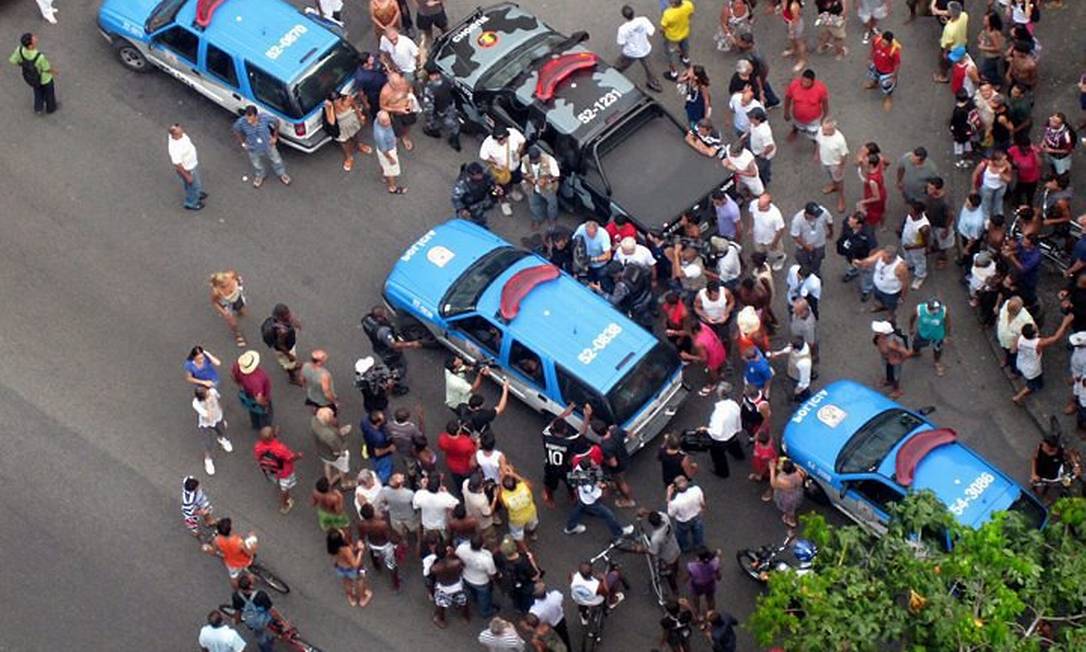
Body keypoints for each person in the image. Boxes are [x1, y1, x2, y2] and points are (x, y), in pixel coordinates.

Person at [563, 458, 632, 540]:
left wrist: (598, 476)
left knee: (578, 509)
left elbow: (576, 478)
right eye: (592, 463)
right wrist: (605, 486)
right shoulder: (589, 485)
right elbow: (600, 495)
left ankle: (570, 527)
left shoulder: (578, 471)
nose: (594, 463)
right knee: (609, 515)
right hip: (590, 502)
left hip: (582, 496)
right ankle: (618, 533)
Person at [1012, 321, 1070, 405]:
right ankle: (1018, 397)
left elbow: (1014, 350)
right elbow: (1055, 338)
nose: (1036, 326)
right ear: (1035, 335)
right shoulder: (1038, 343)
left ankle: (1022, 378)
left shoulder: (1020, 338)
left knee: (1033, 379)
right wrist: (1064, 323)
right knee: (1031, 384)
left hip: (1021, 362)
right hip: (1032, 369)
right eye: (1035, 328)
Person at [232, 106, 290, 188]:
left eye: (251, 119)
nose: (248, 121)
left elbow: (276, 122)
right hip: (252, 147)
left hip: (268, 144)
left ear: (256, 116)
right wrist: (243, 143)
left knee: (276, 160)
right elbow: (236, 130)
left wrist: (275, 137)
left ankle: (281, 173)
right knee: (256, 163)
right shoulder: (241, 122)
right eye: (247, 118)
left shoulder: (264, 118)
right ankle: (260, 175)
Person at [480, 125, 527, 216]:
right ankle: (504, 203)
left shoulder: (514, 133)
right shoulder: (488, 143)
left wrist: (518, 152)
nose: (501, 141)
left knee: (514, 180)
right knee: (501, 188)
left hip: (515, 167)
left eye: (503, 139)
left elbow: (522, 142)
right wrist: (494, 162)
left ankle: (511, 191)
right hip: (501, 172)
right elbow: (483, 156)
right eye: (499, 140)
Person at [615, 5, 662, 92]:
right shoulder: (643, 20)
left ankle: (614, 72)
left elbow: (621, 42)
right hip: (644, 48)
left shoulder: (623, 29)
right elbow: (651, 31)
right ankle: (654, 83)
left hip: (631, 51)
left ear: (624, 16)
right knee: (649, 67)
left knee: (621, 62)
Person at [701, 386, 745, 478]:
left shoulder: (719, 413)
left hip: (720, 439)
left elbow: (716, 432)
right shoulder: (734, 404)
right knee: (734, 445)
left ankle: (722, 473)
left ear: (720, 395)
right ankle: (739, 456)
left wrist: (706, 429)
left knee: (718, 456)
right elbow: (738, 417)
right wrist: (738, 429)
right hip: (733, 432)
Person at [255, 426, 302, 508]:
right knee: (285, 488)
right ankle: (285, 503)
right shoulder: (280, 449)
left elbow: (259, 457)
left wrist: (273, 435)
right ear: (273, 436)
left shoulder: (258, 446)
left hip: (270, 470)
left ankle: (279, 484)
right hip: (284, 472)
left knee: (277, 479)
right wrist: (299, 456)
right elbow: (290, 458)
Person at [323, 92, 372, 172]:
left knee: (355, 135)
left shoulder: (348, 99)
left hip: (352, 121)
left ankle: (359, 145)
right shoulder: (329, 108)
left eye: (338, 100)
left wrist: (360, 117)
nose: (337, 103)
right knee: (344, 142)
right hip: (341, 127)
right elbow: (331, 122)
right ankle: (349, 157)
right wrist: (331, 107)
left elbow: (355, 107)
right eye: (335, 101)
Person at [10, 33, 56, 114]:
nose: (35, 38)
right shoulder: (39, 57)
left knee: (37, 91)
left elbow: (13, 61)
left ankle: (38, 108)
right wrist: (55, 71)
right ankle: (51, 108)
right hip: (45, 79)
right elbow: (47, 69)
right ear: (30, 46)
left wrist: (24, 64)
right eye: (33, 39)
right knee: (49, 93)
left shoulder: (19, 50)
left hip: (32, 78)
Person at [230, 575, 278, 652]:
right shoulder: (261, 595)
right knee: (274, 621)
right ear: (251, 586)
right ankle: (278, 628)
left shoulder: (236, 596)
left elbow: (238, 611)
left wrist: (236, 621)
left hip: (254, 623)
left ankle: (267, 650)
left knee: (260, 637)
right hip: (266, 619)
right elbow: (271, 610)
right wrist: (280, 621)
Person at [192, 385, 232, 476]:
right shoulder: (196, 403)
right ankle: (208, 460)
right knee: (207, 443)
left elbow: (218, 402)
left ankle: (222, 439)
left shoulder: (213, 391)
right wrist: (208, 403)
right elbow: (209, 417)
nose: (209, 392)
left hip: (218, 417)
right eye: (207, 393)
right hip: (206, 423)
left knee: (222, 431)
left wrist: (221, 414)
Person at [327, 528, 373, 608]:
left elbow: (346, 555)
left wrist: (355, 548)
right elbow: (355, 564)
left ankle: (351, 598)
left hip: (340, 568)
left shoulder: (332, 547)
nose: (341, 531)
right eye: (340, 533)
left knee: (347, 581)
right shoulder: (346, 549)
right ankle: (362, 598)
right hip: (352, 570)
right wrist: (360, 551)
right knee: (360, 580)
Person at [681, 318, 727, 397]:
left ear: (694, 331)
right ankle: (722, 372)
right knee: (721, 364)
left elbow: (703, 358)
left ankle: (713, 384)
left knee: (712, 371)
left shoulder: (698, 343)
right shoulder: (703, 326)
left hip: (713, 359)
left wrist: (688, 356)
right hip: (719, 348)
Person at [377, 473, 420, 555]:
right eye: (400, 477)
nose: (403, 476)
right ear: (400, 484)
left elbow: (380, 503)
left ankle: (404, 540)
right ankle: (418, 539)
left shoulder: (385, 490)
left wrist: (387, 508)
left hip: (394, 516)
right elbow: (415, 504)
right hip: (409, 515)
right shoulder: (409, 493)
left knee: (400, 531)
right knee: (415, 527)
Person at [837, 213, 878, 299]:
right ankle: (852, 272)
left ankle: (866, 289)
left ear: (859, 225)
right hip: (851, 253)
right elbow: (843, 231)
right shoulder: (847, 222)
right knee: (850, 264)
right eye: (850, 220)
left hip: (863, 256)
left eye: (852, 222)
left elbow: (873, 248)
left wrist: (867, 262)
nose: (849, 222)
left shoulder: (867, 233)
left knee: (867, 272)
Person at [458, 534, 499, 618]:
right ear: (483, 545)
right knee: (484, 598)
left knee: (473, 591)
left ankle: (475, 599)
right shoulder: (486, 557)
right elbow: (492, 573)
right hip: (481, 581)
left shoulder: (461, 548)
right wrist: (494, 581)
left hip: (466, 576)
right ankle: (485, 612)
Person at [431, 544, 472, 628]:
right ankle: (465, 617)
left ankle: (440, 619)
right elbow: (463, 565)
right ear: (447, 553)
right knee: (463, 601)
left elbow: (433, 577)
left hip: (444, 587)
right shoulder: (456, 563)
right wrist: (453, 553)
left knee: (440, 605)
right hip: (457, 586)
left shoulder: (435, 568)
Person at [167, 124, 206, 211]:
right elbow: (177, 164)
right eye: (180, 133)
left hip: (192, 164)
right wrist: (187, 176)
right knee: (194, 185)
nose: (182, 133)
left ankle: (196, 194)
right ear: (174, 135)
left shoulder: (180, 136)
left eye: (181, 131)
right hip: (187, 169)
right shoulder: (174, 148)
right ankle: (191, 203)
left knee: (193, 185)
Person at [521, 146, 561, 231]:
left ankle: (552, 220)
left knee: (552, 205)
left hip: (547, 188)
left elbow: (556, 176)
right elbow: (523, 174)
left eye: (536, 161)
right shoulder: (525, 160)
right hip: (531, 187)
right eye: (532, 161)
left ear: (540, 157)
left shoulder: (550, 160)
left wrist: (547, 181)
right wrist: (530, 179)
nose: (533, 163)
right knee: (533, 204)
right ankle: (537, 219)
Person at [784, 70, 830, 143]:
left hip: (813, 119)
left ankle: (816, 144)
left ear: (813, 81)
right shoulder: (794, 85)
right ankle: (795, 131)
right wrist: (786, 112)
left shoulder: (820, 89)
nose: (804, 84)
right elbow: (788, 98)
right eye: (803, 81)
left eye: (807, 82)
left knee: (814, 134)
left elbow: (825, 102)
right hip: (797, 116)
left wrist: (825, 116)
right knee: (797, 125)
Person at [232, 350, 273, 430]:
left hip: (248, 392)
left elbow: (233, 376)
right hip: (259, 396)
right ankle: (266, 429)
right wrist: (265, 403)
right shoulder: (255, 380)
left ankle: (255, 425)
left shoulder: (237, 366)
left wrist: (241, 385)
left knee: (253, 410)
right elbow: (258, 399)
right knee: (265, 414)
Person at [211, 517, 256, 588]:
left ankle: (237, 588)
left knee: (233, 577)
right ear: (230, 529)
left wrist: (207, 549)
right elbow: (249, 553)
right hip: (244, 561)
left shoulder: (216, 541)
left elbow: (213, 552)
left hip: (231, 563)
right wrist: (253, 539)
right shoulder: (238, 541)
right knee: (252, 539)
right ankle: (250, 576)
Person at [379, 71, 419, 152]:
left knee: (408, 124)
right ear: (391, 84)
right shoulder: (385, 92)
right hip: (395, 114)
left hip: (407, 109)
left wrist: (410, 100)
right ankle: (394, 142)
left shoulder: (404, 82)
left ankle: (405, 137)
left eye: (400, 83)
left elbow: (410, 89)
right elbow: (382, 106)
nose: (400, 86)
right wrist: (398, 109)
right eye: (397, 85)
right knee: (396, 131)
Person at [872, 320, 912, 399]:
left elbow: (906, 353)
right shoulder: (879, 337)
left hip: (893, 361)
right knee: (887, 371)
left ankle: (897, 390)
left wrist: (900, 360)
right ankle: (888, 380)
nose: (875, 331)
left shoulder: (893, 343)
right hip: (886, 359)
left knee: (895, 376)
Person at [791, 202, 834, 274]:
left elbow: (829, 222)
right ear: (807, 214)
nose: (818, 216)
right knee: (802, 259)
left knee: (818, 258)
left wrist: (831, 232)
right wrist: (806, 246)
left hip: (819, 242)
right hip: (804, 244)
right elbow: (795, 236)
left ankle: (815, 271)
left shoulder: (823, 212)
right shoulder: (797, 220)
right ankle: (805, 272)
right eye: (814, 215)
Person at [453, 162, 500, 227]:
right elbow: (456, 198)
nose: (480, 176)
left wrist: (496, 189)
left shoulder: (485, 173)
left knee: (480, 218)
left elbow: (491, 182)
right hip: (469, 206)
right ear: (471, 175)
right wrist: (462, 209)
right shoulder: (463, 184)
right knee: (468, 223)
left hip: (483, 201)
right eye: (477, 175)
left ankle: (481, 224)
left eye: (480, 173)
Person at [414, 475, 460, 540]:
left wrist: (423, 488)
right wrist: (446, 492)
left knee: (428, 540)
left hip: (427, 524)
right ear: (439, 486)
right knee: (444, 539)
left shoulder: (420, 494)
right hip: (441, 525)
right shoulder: (444, 497)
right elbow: (456, 503)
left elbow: (415, 505)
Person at [666, 476, 706, 552]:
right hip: (697, 515)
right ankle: (699, 546)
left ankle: (686, 548)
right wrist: (702, 511)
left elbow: (671, 514)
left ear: (676, 488)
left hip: (683, 521)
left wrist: (668, 496)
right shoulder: (696, 490)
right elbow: (702, 503)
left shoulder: (675, 502)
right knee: (698, 531)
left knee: (682, 534)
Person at [529, 583, 573, 651]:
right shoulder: (555, 595)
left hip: (549, 626)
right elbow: (561, 599)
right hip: (560, 620)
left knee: (552, 641)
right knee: (565, 637)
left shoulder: (534, 610)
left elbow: (536, 620)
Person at [864, 30, 900, 112]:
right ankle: (875, 84)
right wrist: (869, 58)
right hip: (876, 66)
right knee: (874, 76)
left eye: (885, 44)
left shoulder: (894, 51)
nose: (882, 45)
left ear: (890, 43)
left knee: (887, 86)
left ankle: (888, 97)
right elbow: (873, 49)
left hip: (887, 72)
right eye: (882, 42)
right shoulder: (877, 41)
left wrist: (895, 75)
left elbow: (897, 64)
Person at [770, 335, 814, 401]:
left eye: (790, 345)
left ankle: (806, 399)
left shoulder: (804, 363)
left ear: (796, 349)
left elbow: (805, 379)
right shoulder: (802, 345)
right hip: (793, 372)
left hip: (798, 378)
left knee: (804, 393)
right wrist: (777, 353)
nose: (788, 345)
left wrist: (798, 389)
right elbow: (788, 349)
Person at [210, 270, 248, 347]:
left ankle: (239, 311)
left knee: (241, 308)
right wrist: (223, 312)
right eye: (224, 285)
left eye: (227, 282)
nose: (227, 285)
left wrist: (239, 284)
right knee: (232, 323)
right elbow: (214, 303)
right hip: (228, 304)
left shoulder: (231, 274)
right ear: (218, 285)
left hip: (237, 297)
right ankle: (238, 334)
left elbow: (237, 277)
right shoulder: (217, 292)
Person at [933, 2, 969, 84]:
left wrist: (945, 53)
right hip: (962, 42)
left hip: (952, 48)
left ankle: (943, 77)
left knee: (943, 62)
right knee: (961, 58)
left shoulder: (949, 29)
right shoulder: (964, 15)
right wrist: (948, 22)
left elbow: (947, 44)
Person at [750, 193, 787, 271]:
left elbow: (780, 230)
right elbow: (751, 214)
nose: (758, 208)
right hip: (758, 237)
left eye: (761, 207)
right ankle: (763, 262)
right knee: (760, 252)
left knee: (776, 253)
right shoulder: (754, 204)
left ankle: (781, 259)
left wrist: (774, 243)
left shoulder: (775, 215)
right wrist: (751, 227)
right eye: (758, 205)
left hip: (770, 239)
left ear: (768, 205)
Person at [660, 0, 695, 81]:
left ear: (673, 3)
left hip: (672, 37)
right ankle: (686, 60)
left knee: (670, 55)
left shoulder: (668, 13)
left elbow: (662, 28)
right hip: (684, 32)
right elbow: (690, 15)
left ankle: (674, 73)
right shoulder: (688, 4)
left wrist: (663, 33)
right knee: (685, 47)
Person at [1032, 436, 1074, 503]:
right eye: (1043, 444)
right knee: (1036, 485)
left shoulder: (1060, 451)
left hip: (1053, 476)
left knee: (1049, 485)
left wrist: (1076, 465)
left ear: (1051, 448)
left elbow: (1071, 453)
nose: (1043, 446)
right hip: (1040, 474)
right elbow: (1034, 459)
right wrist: (1033, 474)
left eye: (1045, 445)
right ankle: (1038, 491)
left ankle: (1046, 495)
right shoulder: (1040, 447)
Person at [973, 149, 1012, 220]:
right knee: (986, 203)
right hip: (987, 187)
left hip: (1001, 187)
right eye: (1002, 160)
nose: (1005, 162)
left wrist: (1001, 174)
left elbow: (1009, 179)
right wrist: (974, 188)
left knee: (998, 201)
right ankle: (986, 219)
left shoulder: (1007, 166)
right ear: (995, 161)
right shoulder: (984, 165)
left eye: (1005, 159)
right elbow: (975, 174)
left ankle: (998, 217)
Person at [901, 201, 932, 290]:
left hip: (916, 247)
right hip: (906, 242)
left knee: (919, 261)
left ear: (917, 212)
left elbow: (924, 243)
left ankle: (920, 276)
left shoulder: (924, 227)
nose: (909, 211)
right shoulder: (910, 216)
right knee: (908, 257)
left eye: (912, 209)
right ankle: (909, 265)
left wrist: (911, 247)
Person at [686, 547, 722, 623]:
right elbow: (718, 575)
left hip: (697, 585)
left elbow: (688, 575)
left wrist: (685, 579)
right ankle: (711, 614)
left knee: (696, 598)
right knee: (710, 598)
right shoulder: (714, 563)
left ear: (698, 558)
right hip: (709, 584)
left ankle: (698, 614)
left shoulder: (692, 566)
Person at [574, 220, 614, 286]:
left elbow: (608, 256)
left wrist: (592, 259)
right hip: (585, 263)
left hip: (599, 265)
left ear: (597, 230)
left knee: (600, 280)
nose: (589, 236)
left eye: (591, 234)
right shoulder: (581, 229)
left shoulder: (603, 235)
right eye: (587, 233)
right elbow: (574, 241)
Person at [924, 178, 953, 268]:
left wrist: (946, 230)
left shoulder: (945, 201)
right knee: (933, 238)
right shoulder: (930, 195)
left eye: (931, 188)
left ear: (938, 189)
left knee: (943, 244)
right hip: (931, 222)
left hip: (941, 225)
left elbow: (950, 215)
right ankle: (935, 247)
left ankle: (942, 258)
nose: (928, 190)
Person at [361, 410, 396, 484]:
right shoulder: (379, 437)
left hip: (370, 449)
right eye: (383, 419)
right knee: (384, 472)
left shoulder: (364, 421)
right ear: (378, 423)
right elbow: (378, 453)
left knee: (377, 467)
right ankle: (380, 485)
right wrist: (389, 448)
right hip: (381, 457)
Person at [770, 458, 806, 528]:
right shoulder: (799, 473)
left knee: (789, 510)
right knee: (792, 507)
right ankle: (789, 517)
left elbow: (773, 484)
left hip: (787, 497)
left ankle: (791, 521)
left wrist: (772, 469)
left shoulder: (782, 480)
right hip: (796, 492)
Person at [1041, 113, 1075, 177]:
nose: (1051, 122)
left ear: (1060, 124)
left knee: (1061, 172)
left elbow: (1069, 150)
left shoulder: (1065, 136)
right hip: (1049, 152)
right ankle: (1053, 174)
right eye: (1052, 119)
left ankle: (1059, 181)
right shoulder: (1049, 123)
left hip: (1059, 157)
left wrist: (1052, 150)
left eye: (1055, 122)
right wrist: (1043, 141)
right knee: (1051, 164)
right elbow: (1047, 133)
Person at [679, 65, 712, 131]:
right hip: (691, 102)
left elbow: (706, 101)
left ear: (696, 77)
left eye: (691, 71)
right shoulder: (689, 79)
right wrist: (684, 75)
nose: (689, 71)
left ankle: (696, 130)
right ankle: (691, 125)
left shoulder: (702, 87)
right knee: (690, 114)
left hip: (698, 105)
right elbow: (679, 80)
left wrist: (706, 117)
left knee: (697, 118)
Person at [182, 475, 215, 541]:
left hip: (200, 501)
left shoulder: (188, 479)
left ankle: (209, 522)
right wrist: (200, 512)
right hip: (192, 510)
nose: (199, 487)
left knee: (207, 510)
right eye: (197, 487)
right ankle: (196, 533)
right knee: (192, 523)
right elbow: (190, 511)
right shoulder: (188, 500)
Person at [781, 0, 808, 75]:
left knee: (799, 42)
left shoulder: (794, 5)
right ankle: (793, 49)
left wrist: (792, 31)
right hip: (788, 22)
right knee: (792, 39)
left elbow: (795, 20)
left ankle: (802, 61)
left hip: (794, 25)